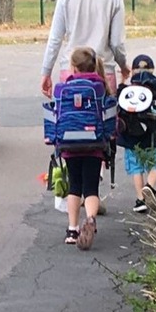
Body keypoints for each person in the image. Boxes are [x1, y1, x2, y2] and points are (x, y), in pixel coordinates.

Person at [40, 0, 130, 101]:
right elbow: (116, 43)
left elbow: (55, 38)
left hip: (71, 71)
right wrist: (123, 66)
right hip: (103, 72)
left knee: (71, 120)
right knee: (105, 121)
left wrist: (46, 72)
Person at [57, 47, 110, 249]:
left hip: (70, 145)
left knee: (74, 187)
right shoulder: (100, 87)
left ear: (74, 68)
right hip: (94, 145)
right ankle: (90, 219)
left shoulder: (64, 88)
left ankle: (72, 229)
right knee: (91, 188)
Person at [116, 54, 156, 213]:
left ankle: (140, 200)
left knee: (136, 168)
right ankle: (150, 187)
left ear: (132, 71)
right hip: (150, 135)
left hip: (130, 137)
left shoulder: (127, 90)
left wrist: (121, 81)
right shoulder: (154, 90)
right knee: (154, 164)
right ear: (152, 70)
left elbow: (118, 104)